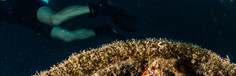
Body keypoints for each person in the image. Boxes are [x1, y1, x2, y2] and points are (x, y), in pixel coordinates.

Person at [0, 0, 138, 42]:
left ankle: (100, 7)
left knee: (54, 19)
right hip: (22, 19)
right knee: (66, 37)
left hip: (22, 4)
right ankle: (102, 29)